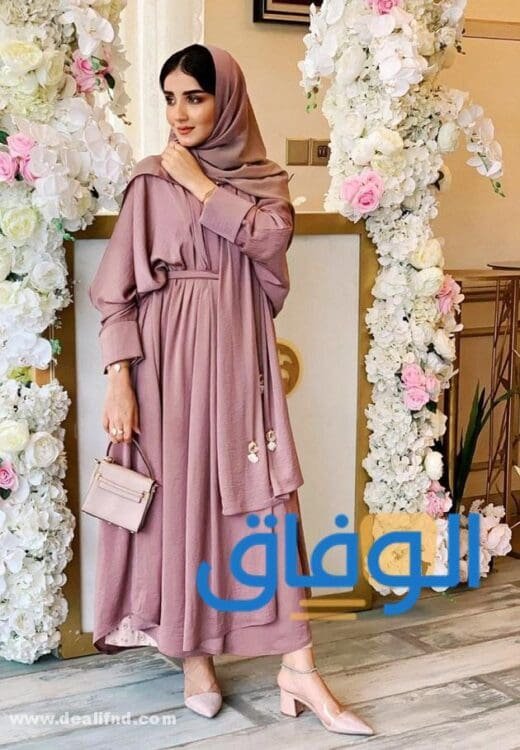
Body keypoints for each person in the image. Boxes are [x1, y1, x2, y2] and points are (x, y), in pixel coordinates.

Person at [88, 43, 373, 736]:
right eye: (170, 99)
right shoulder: (149, 181)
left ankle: (298, 666)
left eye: (195, 97)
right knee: (180, 503)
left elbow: (270, 240)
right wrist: (120, 380)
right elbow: (114, 294)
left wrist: (202, 186)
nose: (180, 114)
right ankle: (193, 658)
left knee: (264, 502)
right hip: (164, 368)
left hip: (240, 364)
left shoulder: (261, 181)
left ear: (228, 101)